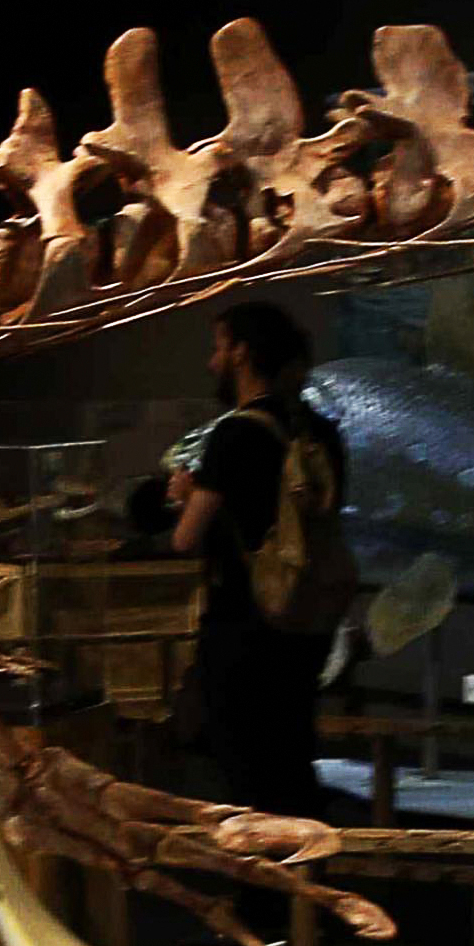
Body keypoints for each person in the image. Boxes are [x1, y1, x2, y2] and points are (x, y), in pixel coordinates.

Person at [168, 302, 351, 818]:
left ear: (241, 353)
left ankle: (261, 895)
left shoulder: (236, 434)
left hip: (246, 626)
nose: (212, 362)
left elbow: (186, 538)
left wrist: (185, 492)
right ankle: (306, 884)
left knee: (245, 773)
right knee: (291, 758)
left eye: (218, 347)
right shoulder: (322, 432)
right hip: (308, 622)